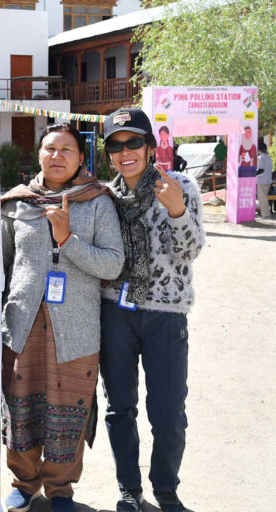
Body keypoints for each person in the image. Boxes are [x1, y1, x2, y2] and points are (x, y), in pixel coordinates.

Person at [0, 123, 124, 512]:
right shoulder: (16, 203)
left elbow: (112, 264)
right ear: (38, 155)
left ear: (81, 158)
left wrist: (68, 239)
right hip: (22, 324)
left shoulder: (98, 201)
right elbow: (1, 266)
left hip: (75, 328)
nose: (57, 156)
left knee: (68, 407)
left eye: (66, 150)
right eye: (49, 148)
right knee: (22, 405)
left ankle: (61, 489)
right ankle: (23, 483)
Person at [100, 108, 205, 512]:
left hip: (166, 313)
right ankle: (129, 489)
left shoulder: (180, 185)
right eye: (116, 145)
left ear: (149, 146)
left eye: (133, 142)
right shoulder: (106, 197)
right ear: (109, 153)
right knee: (119, 408)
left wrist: (177, 210)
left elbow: (192, 249)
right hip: (116, 311)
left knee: (167, 412)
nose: (125, 152)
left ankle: (165, 489)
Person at [256, 141, 273, 218]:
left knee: (262, 198)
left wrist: (253, 175)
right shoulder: (269, 158)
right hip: (268, 180)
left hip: (262, 180)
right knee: (264, 198)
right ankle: (265, 213)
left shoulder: (260, 158)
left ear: (259, 149)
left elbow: (260, 170)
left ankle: (265, 215)